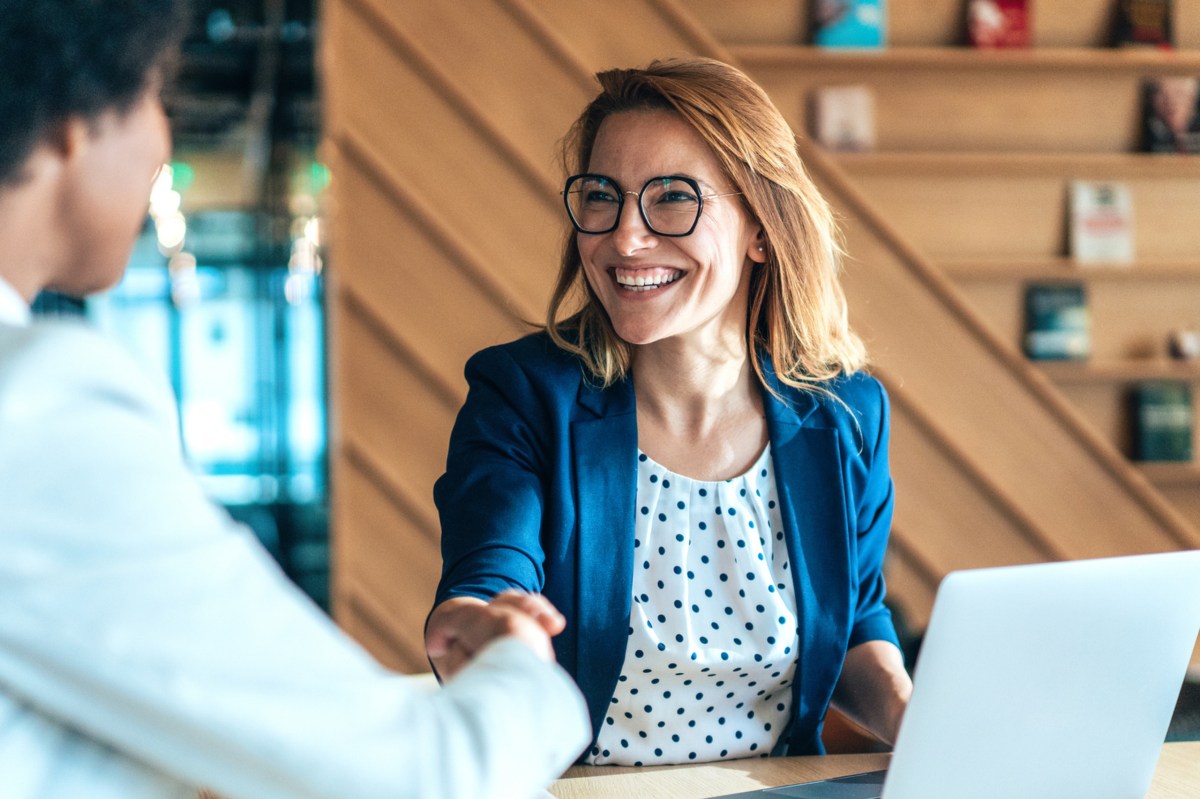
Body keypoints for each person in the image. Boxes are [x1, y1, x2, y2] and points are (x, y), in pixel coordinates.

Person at [0, 2, 588, 797]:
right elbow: (432, 777)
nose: (163, 140)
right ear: (71, 124)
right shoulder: (35, 405)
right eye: (152, 95)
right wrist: (522, 657)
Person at [427, 57, 912, 766]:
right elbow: (487, 577)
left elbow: (857, 615)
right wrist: (480, 626)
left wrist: (913, 714)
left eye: (674, 198)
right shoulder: (523, 392)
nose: (625, 238)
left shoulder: (847, 413)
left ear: (761, 228)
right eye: (602, 196)